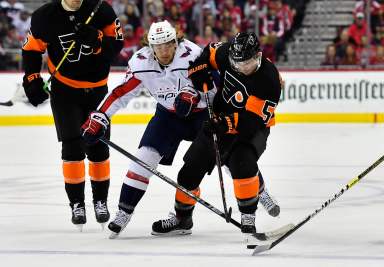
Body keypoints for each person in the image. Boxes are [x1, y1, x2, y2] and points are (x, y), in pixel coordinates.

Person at [82, 22, 280, 238]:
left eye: (168, 44)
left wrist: (192, 93)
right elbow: (121, 93)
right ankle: (125, 212)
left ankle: (259, 190)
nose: (164, 51)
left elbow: (214, 87)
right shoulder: (141, 62)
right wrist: (101, 116)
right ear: (150, 46)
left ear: (176, 42)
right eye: (158, 46)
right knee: (144, 158)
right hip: (168, 116)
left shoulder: (191, 53)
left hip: (203, 113)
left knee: (231, 158)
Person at [151, 32, 283, 236]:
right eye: (237, 63)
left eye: (247, 62)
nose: (241, 67)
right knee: (189, 171)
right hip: (220, 118)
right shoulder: (227, 52)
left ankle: (248, 217)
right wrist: (199, 70)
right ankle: (182, 218)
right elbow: (208, 53)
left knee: (242, 163)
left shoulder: (269, 79)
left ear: (258, 55)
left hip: (254, 127)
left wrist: (225, 123)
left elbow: (251, 122)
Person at [22, 0, 123, 230]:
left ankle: (100, 201)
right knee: (72, 146)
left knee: (98, 146)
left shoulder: (102, 9)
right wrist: (31, 78)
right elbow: (31, 50)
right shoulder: (44, 16)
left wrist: (96, 40)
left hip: (97, 90)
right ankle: (77, 203)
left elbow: (116, 47)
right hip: (64, 90)